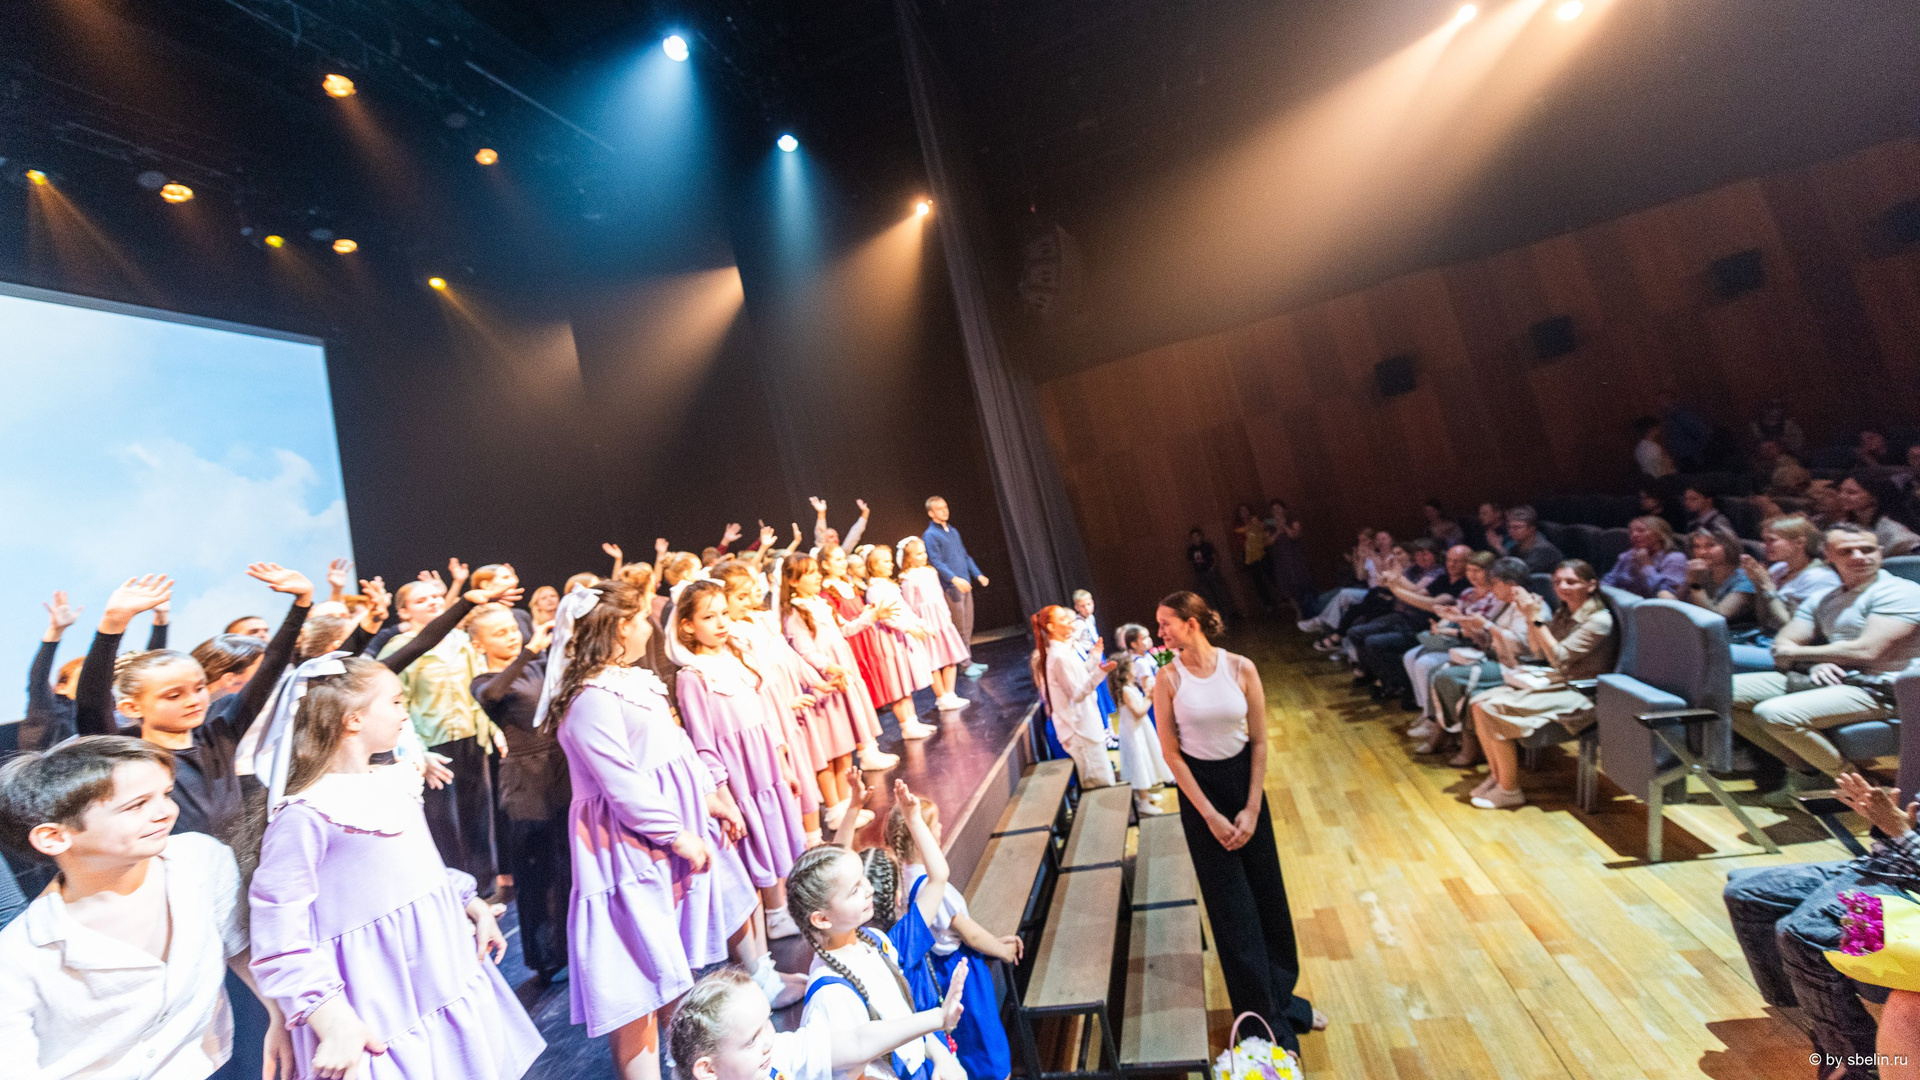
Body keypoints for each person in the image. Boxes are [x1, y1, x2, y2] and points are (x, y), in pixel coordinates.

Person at [246, 656, 544, 1080]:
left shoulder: (395, 781)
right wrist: (328, 1014)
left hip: (439, 969)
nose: (405, 712)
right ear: (353, 719)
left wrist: (471, 904)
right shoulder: (306, 814)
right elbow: (279, 932)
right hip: (378, 996)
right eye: (396, 701)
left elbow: (424, 868)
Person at [541, 579, 764, 1080]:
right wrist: (674, 834)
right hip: (631, 848)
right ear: (619, 628)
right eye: (640, 618)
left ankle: (682, 1062)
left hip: (666, 836)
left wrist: (708, 797)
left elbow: (676, 749)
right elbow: (621, 783)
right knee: (640, 979)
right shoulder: (590, 699)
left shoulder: (632, 681)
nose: (648, 626)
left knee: (672, 968)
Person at [0, 736, 294, 1080]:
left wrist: (282, 1017)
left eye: (165, 794)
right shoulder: (20, 956)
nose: (166, 812)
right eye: (136, 805)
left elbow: (243, 948)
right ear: (54, 837)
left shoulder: (201, 860)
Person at [1151, 591, 1322, 1053]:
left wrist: (1251, 808)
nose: (1160, 631)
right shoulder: (1167, 678)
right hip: (1201, 796)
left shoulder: (1241, 667)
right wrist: (1210, 815)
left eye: (1166, 623)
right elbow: (1171, 753)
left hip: (1245, 786)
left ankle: (1284, 1002)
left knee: (1270, 901)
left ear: (1191, 623)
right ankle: (1262, 1026)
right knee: (1233, 915)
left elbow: (1259, 742)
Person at [1723, 771, 1916, 1074]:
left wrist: (1901, 832)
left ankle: (1858, 1063)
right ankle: (1813, 1012)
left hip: (1908, 887)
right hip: (1886, 863)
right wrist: (1884, 821)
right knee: (1746, 895)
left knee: (1805, 933)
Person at [1733, 523, 1920, 800]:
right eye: (1847, 551)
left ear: (1880, 553)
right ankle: (1812, 775)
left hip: (1887, 690)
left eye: (1867, 549)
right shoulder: (1823, 598)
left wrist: (1806, 655)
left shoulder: (1900, 591)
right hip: (1842, 680)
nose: (1859, 556)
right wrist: (1815, 663)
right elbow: (1782, 645)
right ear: (1828, 555)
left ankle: (1863, 790)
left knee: (1775, 714)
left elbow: (1867, 652)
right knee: (1724, 694)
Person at [670, 580, 809, 946]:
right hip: (738, 774)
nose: (721, 623)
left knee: (775, 830)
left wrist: (783, 765)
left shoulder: (734, 659)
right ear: (687, 625)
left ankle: (781, 906)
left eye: (723, 614)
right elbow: (703, 742)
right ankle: (772, 915)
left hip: (764, 764)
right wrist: (724, 795)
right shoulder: (692, 676)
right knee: (755, 839)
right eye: (708, 617)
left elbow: (763, 718)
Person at [468, 605, 571, 984]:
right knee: (538, 873)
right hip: (528, 783)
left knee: (568, 865)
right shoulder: (484, 681)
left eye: (512, 629)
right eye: (500, 633)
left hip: (562, 769)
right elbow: (494, 694)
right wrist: (528, 651)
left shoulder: (539, 666)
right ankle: (545, 958)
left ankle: (572, 945)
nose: (511, 636)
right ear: (478, 644)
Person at [883, 788, 1016, 1080]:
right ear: (920, 837)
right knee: (985, 1045)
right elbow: (969, 934)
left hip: (940, 968)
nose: (941, 827)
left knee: (966, 1044)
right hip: (958, 969)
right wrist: (1003, 950)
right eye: (935, 824)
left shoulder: (904, 875)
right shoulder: (931, 886)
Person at [1464, 560, 1618, 810]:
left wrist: (1535, 619)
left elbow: (1559, 657)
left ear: (1591, 585)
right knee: (1478, 703)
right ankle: (1497, 776)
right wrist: (1529, 619)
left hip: (1582, 695)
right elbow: (1538, 652)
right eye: (1558, 582)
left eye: (1571, 582)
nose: (1562, 587)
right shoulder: (1564, 611)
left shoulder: (1599, 620)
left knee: (1492, 710)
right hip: (1559, 682)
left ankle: (1509, 790)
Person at [667, 962, 967, 1080]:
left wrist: (938, 1018)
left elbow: (857, 1042)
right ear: (708, 1069)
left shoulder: (776, 1055)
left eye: (767, 1022)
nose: (768, 1040)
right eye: (751, 1040)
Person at [784, 553, 896, 828]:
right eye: (809, 573)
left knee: (844, 744)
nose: (816, 577)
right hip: (824, 683)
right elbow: (804, 651)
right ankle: (834, 807)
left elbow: (844, 630)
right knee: (829, 748)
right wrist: (829, 667)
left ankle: (846, 805)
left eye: (816, 572)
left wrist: (871, 617)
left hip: (840, 677)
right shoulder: (796, 612)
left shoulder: (819, 603)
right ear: (794, 581)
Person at [20, 590, 165, 754]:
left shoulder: (111, 710)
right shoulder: (49, 711)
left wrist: (160, 620)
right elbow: (37, 680)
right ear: (61, 687)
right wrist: (55, 631)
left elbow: (147, 675)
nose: (92, 680)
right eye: (83, 676)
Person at [1735, 516, 1843, 671]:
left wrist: (1768, 588)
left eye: (1772, 540)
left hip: (1791, 652)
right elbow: (1764, 620)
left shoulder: (1820, 577)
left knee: (1718, 653)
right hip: (1765, 638)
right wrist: (1758, 586)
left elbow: (1792, 627)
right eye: (1764, 540)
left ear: (1799, 542)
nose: (1765, 546)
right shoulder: (1779, 569)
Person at [1032, 604, 1117, 787]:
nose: (1070, 621)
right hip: (1079, 730)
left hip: (1086, 725)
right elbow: (1076, 694)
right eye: (1063, 619)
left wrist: (1095, 657)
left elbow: (1080, 676)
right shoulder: (1059, 657)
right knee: (1099, 784)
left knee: (1104, 779)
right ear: (1051, 627)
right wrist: (1100, 674)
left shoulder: (1066, 651)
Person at [861, 547, 939, 737]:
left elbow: (905, 609)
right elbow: (884, 618)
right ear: (873, 565)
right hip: (889, 638)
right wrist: (908, 629)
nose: (890, 565)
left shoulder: (888, 585)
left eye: (890, 561)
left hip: (900, 636)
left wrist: (920, 624)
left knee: (905, 681)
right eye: (885, 562)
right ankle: (906, 725)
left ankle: (913, 721)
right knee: (897, 682)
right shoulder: (874, 589)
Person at [897, 537, 971, 712]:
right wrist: (918, 624)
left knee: (951, 655)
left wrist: (947, 613)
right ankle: (941, 696)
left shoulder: (930, 572)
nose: (923, 556)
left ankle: (950, 693)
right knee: (933, 661)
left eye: (924, 552)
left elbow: (939, 595)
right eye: (918, 554)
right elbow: (909, 605)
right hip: (925, 621)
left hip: (941, 618)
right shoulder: (908, 578)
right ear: (908, 558)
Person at [922, 497, 987, 679]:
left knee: (968, 624)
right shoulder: (930, 535)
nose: (944, 511)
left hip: (965, 584)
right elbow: (936, 561)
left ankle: (968, 660)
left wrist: (978, 574)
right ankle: (964, 664)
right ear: (931, 513)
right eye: (939, 509)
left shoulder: (953, 531)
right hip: (952, 587)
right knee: (960, 627)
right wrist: (954, 578)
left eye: (945, 507)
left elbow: (965, 556)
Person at [1107, 653, 1173, 814]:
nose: (1135, 671)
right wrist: (1150, 697)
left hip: (1140, 730)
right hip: (1133, 733)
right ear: (1125, 672)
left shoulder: (1131, 687)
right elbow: (1138, 712)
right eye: (1132, 668)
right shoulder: (1125, 691)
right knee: (1139, 763)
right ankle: (1142, 802)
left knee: (1145, 759)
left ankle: (1145, 794)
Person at [1673, 527, 1757, 632]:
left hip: (1737, 634)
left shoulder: (1744, 578)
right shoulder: (1701, 572)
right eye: (1697, 546)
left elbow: (1717, 617)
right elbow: (1678, 601)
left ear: (1728, 547)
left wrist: (1696, 586)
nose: (1702, 552)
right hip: (1701, 632)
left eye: (1710, 545)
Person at [1600, 516, 1689, 599]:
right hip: (1622, 603)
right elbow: (1608, 581)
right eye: (1631, 532)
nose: (1634, 535)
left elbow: (1667, 594)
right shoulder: (1628, 555)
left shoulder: (1675, 558)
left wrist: (1647, 566)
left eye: (1641, 531)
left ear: (1660, 535)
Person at [1839, 472, 1920, 557]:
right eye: (1840, 491)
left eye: (1851, 492)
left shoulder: (1893, 530)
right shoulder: (1842, 525)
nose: (1842, 496)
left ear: (1874, 496)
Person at [1265, 500, 1318, 617]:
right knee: (1286, 585)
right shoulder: (1269, 523)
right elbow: (1267, 542)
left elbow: (1295, 535)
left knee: (1302, 581)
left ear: (1284, 509)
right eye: (1273, 509)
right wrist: (1277, 531)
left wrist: (1284, 525)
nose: (1276, 511)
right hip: (1280, 559)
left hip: (1295, 557)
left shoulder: (1292, 520)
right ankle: (1298, 611)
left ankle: (1311, 607)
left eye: (1278, 508)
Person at [1232, 504, 1277, 615]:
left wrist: (1275, 521)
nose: (1244, 513)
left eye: (1246, 510)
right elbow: (1239, 540)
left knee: (1271, 574)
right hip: (1250, 555)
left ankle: (1284, 597)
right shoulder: (1239, 527)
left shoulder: (1256, 520)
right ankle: (1267, 603)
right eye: (1242, 511)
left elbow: (1270, 522)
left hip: (1262, 551)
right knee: (1258, 580)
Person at [1184, 528, 1237, 619]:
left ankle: (1227, 613)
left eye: (1197, 536)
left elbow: (1214, 557)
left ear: (1200, 536)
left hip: (1210, 571)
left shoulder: (1206, 546)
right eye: (1193, 537)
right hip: (1200, 574)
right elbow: (1190, 561)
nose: (1195, 538)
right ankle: (1216, 615)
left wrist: (1212, 568)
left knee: (1218, 592)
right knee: (1207, 595)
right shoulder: (1191, 549)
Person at [1503, 506, 1564, 574]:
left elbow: (1520, 575)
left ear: (1532, 528)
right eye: (1509, 527)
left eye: (1517, 527)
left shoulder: (1544, 550)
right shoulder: (1515, 549)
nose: (1512, 531)